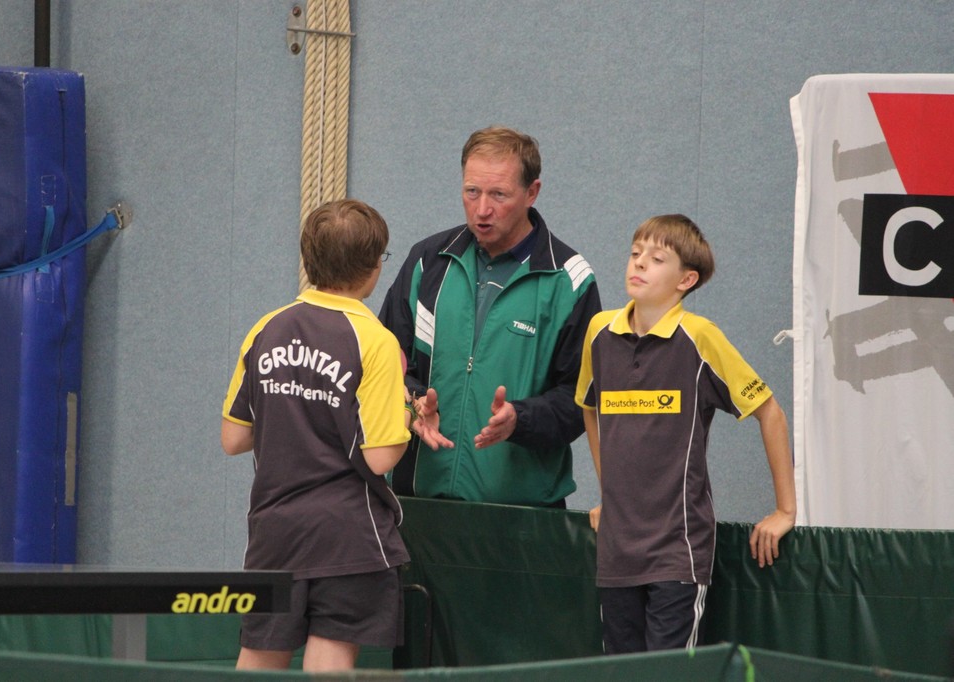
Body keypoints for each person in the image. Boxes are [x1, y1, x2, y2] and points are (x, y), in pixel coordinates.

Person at [221, 199, 443, 672]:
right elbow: (382, 457)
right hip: (348, 539)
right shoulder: (374, 339)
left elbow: (234, 439)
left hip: (273, 536)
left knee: (259, 658)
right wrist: (404, 415)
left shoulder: (266, 328)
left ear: (309, 260)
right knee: (330, 661)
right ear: (372, 268)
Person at [574, 214, 796, 654]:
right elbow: (590, 407)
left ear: (686, 279)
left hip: (677, 550)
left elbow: (769, 411)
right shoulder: (600, 331)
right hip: (617, 551)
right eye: (635, 253)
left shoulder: (700, 337)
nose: (639, 264)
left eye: (657, 259)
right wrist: (610, 492)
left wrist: (785, 509)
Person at [379, 126, 602, 507]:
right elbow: (385, 365)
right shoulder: (427, 261)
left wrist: (521, 419)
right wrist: (413, 403)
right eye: (472, 192)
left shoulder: (570, 281)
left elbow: (582, 400)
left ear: (532, 192)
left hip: (522, 518)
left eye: (499, 194)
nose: (482, 209)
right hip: (417, 504)